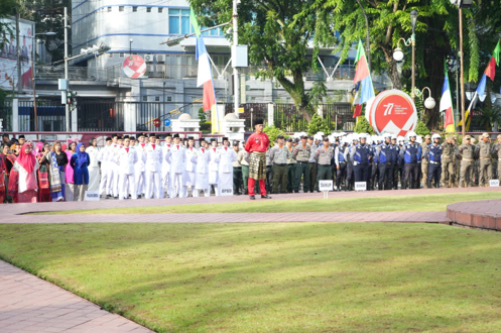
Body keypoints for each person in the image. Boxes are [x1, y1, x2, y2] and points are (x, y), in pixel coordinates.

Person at [244, 119, 271, 200]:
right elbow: (247, 148)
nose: (261, 127)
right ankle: (251, 193)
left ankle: (263, 193)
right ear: (255, 127)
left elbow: (267, 145)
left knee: (262, 176)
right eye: (259, 125)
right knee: (252, 175)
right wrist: (254, 153)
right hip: (254, 156)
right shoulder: (252, 137)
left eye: (262, 125)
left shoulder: (265, 136)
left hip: (263, 156)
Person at [144, 133, 163, 199]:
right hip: (149, 166)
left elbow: (161, 158)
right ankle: (147, 197)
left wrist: (159, 165)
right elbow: (144, 158)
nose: (153, 139)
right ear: (149, 138)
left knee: (158, 183)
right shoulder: (146, 147)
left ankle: (157, 196)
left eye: (154, 137)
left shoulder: (159, 148)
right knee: (149, 183)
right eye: (152, 137)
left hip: (157, 166)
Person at [168, 134, 186, 198]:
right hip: (173, 166)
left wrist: (182, 164)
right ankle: (172, 194)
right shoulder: (171, 148)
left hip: (180, 166)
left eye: (178, 139)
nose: (177, 140)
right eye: (175, 139)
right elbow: (167, 157)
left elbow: (184, 157)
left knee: (181, 182)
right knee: (172, 181)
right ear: (173, 140)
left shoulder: (182, 148)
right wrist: (172, 163)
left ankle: (181, 194)